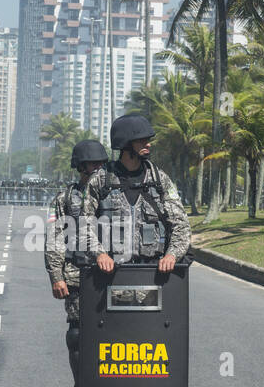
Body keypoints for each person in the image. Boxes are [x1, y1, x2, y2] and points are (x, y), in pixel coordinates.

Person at [79, 114, 190, 274]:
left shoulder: (159, 179)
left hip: (151, 276)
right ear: (125, 144)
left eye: (148, 139)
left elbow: (181, 224)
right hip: (110, 278)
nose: (148, 144)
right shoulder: (101, 180)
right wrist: (99, 254)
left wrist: (172, 255)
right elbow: (84, 224)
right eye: (141, 140)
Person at [45, 139, 107, 387]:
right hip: (76, 272)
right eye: (92, 164)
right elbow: (55, 238)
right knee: (77, 334)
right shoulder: (66, 199)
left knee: (112, 332)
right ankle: (81, 385)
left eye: (100, 164)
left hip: (111, 274)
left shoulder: (112, 193)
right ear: (80, 166)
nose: (97, 169)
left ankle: (110, 384)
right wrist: (56, 276)